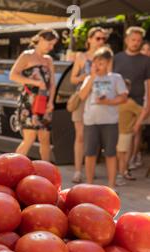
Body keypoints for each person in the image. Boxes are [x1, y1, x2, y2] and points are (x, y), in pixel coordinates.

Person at [79, 47, 128, 189]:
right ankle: (89, 186)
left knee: (111, 154)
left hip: (110, 122)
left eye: (101, 63)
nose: (98, 66)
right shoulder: (89, 78)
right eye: (96, 63)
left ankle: (111, 187)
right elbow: (81, 96)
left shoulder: (116, 78)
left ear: (108, 63)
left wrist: (109, 102)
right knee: (90, 154)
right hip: (91, 122)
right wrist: (92, 77)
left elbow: (124, 97)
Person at [9, 29, 59, 161]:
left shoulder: (49, 59)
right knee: (29, 138)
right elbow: (13, 75)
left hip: (45, 101)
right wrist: (35, 82)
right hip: (29, 101)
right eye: (50, 43)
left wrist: (51, 102)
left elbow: (52, 83)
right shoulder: (27, 55)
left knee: (45, 139)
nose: (51, 47)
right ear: (41, 39)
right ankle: (12, 167)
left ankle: (45, 172)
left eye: (53, 44)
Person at [70, 27, 109, 183]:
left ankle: (89, 169)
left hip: (99, 99)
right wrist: (86, 76)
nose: (101, 41)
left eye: (103, 39)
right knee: (80, 136)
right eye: (98, 38)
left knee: (95, 136)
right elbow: (73, 79)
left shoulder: (106, 56)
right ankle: (78, 171)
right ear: (89, 39)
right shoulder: (81, 56)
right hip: (82, 98)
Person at [114, 27, 150, 170]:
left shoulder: (146, 60)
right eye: (133, 40)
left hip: (138, 102)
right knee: (120, 135)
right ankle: (121, 166)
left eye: (138, 40)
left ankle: (129, 163)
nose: (136, 43)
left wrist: (147, 105)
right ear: (127, 40)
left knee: (134, 133)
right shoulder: (117, 58)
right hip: (118, 102)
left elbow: (148, 84)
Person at [116, 79, 142, 186]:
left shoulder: (130, 103)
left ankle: (121, 175)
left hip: (125, 133)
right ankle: (123, 173)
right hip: (116, 132)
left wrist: (136, 124)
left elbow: (142, 111)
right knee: (119, 155)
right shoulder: (115, 101)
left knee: (122, 156)